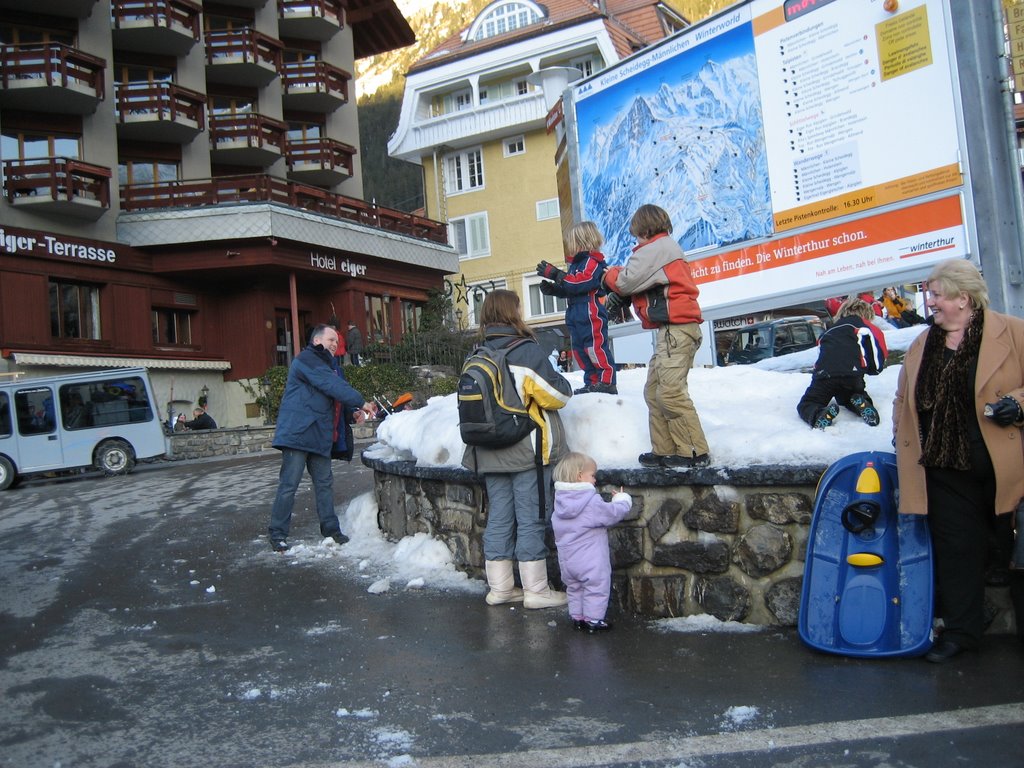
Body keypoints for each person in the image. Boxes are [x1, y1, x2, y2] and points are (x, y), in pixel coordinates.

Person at [892, 258, 1024, 662]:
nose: (928, 302)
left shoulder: (1012, 332)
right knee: (956, 551)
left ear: (963, 298)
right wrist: (900, 431)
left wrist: (1017, 404)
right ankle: (962, 633)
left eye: (936, 294)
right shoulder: (921, 345)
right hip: (945, 469)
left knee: (1019, 553)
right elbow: (903, 399)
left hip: (1006, 467)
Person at [462, 289, 573, 609]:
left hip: (488, 451)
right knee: (531, 518)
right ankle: (537, 591)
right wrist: (563, 382)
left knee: (499, 517)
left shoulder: (477, 352)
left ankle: (500, 588)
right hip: (526, 451)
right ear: (514, 312)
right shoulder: (525, 350)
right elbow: (556, 395)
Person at [602, 203, 710, 468]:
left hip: (677, 330)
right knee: (653, 391)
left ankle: (695, 452)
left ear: (645, 229)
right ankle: (664, 450)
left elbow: (626, 280)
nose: (635, 240)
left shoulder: (656, 249)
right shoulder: (665, 249)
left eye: (636, 234)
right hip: (672, 331)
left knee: (670, 392)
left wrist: (609, 275)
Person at [268, 324, 375, 552]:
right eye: (330, 339)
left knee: (324, 485)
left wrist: (352, 413)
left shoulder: (332, 367)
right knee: (289, 485)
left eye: (337, 341)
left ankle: (331, 530)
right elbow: (330, 385)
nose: (335, 343)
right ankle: (277, 534)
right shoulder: (307, 359)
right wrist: (360, 400)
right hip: (298, 433)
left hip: (319, 434)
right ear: (317, 341)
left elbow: (333, 397)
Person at [551, 452, 632, 633]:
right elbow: (611, 514)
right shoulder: (590, 502)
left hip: (568, 561)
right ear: (580, 476)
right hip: (590, 560)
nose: (595, 480)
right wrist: (622, 500)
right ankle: (593, 620)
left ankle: (578, 618)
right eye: (592, 475)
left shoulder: (560, 503)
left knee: (575, 588)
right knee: (596, 587)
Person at [536, 221, 617, 395]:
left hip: (590, 311)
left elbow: (581, 283)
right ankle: (593, 381)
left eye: (572, 243)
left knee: (594, 346)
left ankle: (607, 381)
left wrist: (557, 275)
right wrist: (555, 289)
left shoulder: (592, 262)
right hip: (575, 312)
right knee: (580, 350)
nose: (569, 247)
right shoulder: (576, 265)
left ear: (581, 241)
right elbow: (571, 288)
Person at [796, 297, 887, 429]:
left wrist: (819, 373)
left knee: (808, 403)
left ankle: (818, 415)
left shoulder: (829, 331)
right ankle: (861, 403)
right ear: (868, 314)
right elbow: (879, 352)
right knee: (849, 396)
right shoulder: (866, 326)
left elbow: (822, 353)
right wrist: (873, 369)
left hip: (825, 375)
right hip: (852, 375)